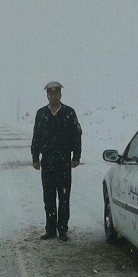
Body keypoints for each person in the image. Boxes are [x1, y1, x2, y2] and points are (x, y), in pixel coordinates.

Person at [31, 81, 82, 241]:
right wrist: (35, 158)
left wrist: (76, 157)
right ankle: (50, 229)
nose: (54, 96)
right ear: (47, 95)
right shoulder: (41, 114)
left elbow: (76, 136)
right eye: (51, 94)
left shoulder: (69, 113)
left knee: (64, 197)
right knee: (49, 197)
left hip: (63, 163)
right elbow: (36, 137)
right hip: (47, 162)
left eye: (56, 93)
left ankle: (63, 229)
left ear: (60, 95)